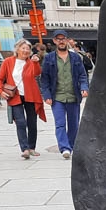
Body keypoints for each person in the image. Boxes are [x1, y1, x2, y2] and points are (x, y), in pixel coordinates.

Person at [40, 31, 89, 159]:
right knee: (60, 123)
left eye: (63, 39)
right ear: (55, 41)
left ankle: (70, 146)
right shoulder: (49, 58)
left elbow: (83, 75)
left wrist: (84, 87)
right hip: (57, 97)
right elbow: (44, 79)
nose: (61, 41)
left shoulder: (76, 58)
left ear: (67, 40)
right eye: (58, 39)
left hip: (73, 96)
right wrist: (46, 95)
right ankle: (64, 147)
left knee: (74, 125)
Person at [0, 39, 45, 159]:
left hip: (30, 95)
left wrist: (35, 63)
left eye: (28, 49)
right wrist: (0, 91)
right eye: (23, 48)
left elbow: (37, 73)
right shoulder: (8, 62)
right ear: (17, 49)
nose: (26, 51)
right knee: (21, 122)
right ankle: (25, 148)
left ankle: (32, 147)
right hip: (15, 95)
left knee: (32, 122)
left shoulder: (31, 62)